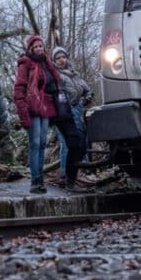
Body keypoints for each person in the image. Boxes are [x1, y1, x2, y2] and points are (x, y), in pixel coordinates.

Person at [14, 34, 61, 194]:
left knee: (42, 144)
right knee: (34, 144)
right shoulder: (25, 64)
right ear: (30, 49)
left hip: (45, 107)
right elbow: (19, 88)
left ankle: (41, 179)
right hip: (32, 107)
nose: (39, 49)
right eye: (36, 47)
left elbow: (53, 85)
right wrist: (23, 112)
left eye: (41, 46)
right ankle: (35, 180)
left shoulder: (47, 63)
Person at [52, 46, 92, 189]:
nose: (61, 60)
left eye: (63, 57)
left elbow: (86, 89)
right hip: (65, 112)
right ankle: (64, 175)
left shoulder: (74, 74)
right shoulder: (56, 75)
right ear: (54, 61)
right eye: (58, 58)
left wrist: (86, 98)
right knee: (66, 144)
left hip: (78, 109)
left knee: (79, 143)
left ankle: (78, 173)